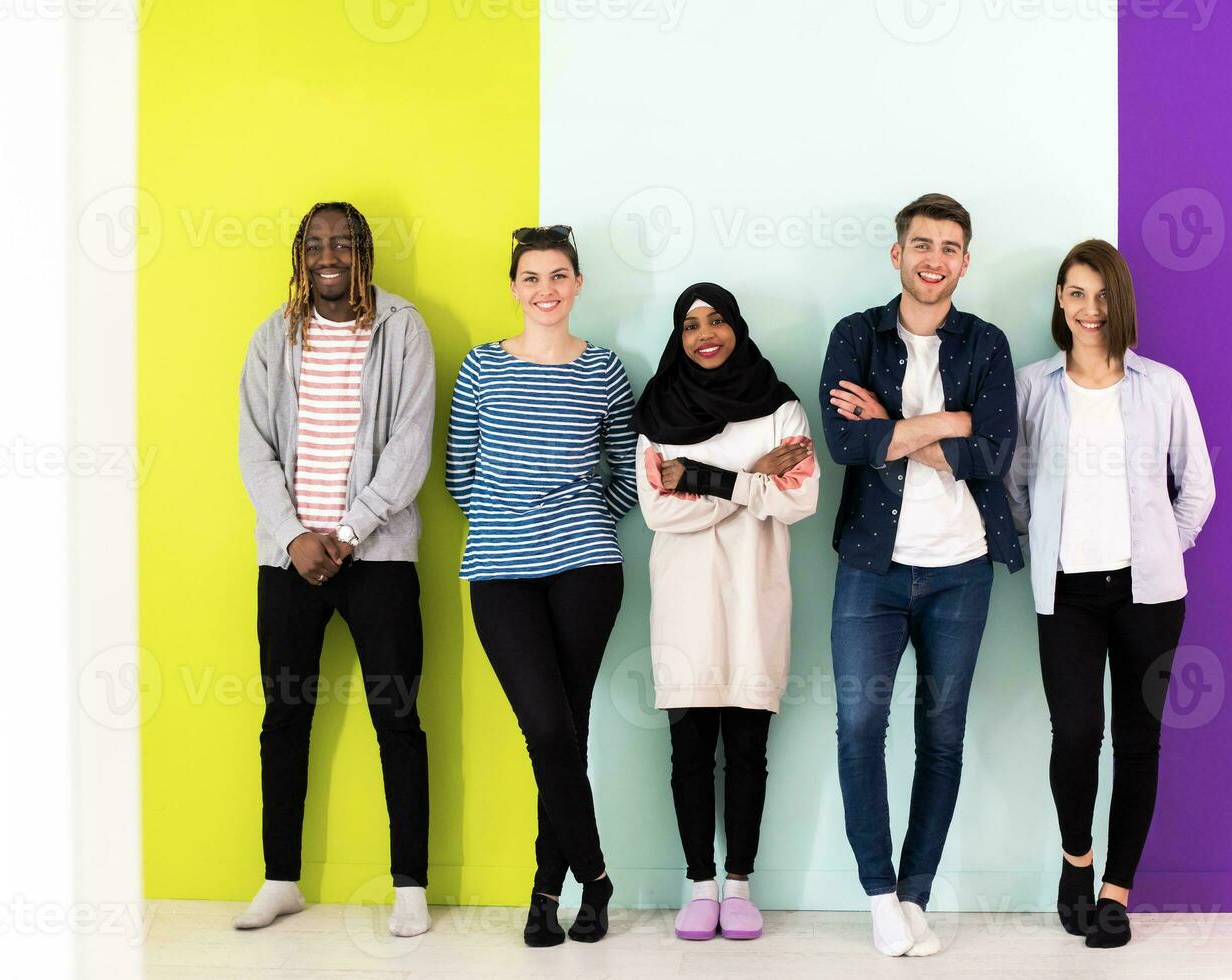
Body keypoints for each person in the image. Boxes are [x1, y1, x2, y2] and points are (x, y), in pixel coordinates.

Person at [818, 193, 1022, 956]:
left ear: (965, 261)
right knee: (861, 726)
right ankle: (878, 894)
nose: (935, 259)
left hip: (961, 571)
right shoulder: (855, 335)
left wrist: (900, 427)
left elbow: (996, 452)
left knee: (941, 734)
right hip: (872, 569)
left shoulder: (987, 343)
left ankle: (916, 893)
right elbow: (846, 442)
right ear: (897, 253)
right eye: (922, 244)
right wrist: (953, 421)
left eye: (950, 247)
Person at [234, 201, 435, 937]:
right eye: (316, 243)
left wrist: (348, 531)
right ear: (299, 253)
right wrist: (293, 535)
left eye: (342, 243)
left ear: (363, 253)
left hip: (376, 556)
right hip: (288, 560)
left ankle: (409, 885)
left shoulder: (402, 327)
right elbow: (254, 447)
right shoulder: (271, 336)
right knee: (284, 717)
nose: (329, 255)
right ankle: (279, 878)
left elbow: (411, 443)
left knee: (399, 718)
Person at [1008, 239, 1215, 948]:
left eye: (1100, 295)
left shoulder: (1163, 386)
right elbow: (1013, 488)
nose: (1088, 309)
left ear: (1119, 301)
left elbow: (1198, 487)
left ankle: (1117, 890)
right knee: (1075, 734)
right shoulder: (1033, 386)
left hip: (1148, 597)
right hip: (1065, 593)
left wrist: (1159, 551)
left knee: (1138, 740)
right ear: (1059, 302)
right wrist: (1047, 548)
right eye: (1075, 293)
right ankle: (1076, 863)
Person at [444, 225, 638, 946]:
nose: (546, 290)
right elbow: (458, 475)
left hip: (586, 568)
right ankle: (594, 877)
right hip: (500, 570)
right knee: (548, 729)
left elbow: (627, 473)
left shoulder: (604, 370)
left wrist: (587, 521)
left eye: (559, 276)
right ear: (514, 287)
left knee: (568, 731)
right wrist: (510, 524)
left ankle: (543, 896)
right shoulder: (481, 369)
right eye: (531, 277)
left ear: (578, 284)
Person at [631, 282, 819, 942]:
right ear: (677, 337)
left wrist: (705, 478)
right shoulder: (657, 410)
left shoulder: (781, 406)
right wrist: (754, 479)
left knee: (747, 751)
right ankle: (698, 885)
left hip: (754, 598)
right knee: (688, 751)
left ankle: (739, 885)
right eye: (689, 323)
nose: (704, 333)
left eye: (716, 320)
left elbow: (799, 501)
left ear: (737, 326)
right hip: (684, 603)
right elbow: (658, 510)